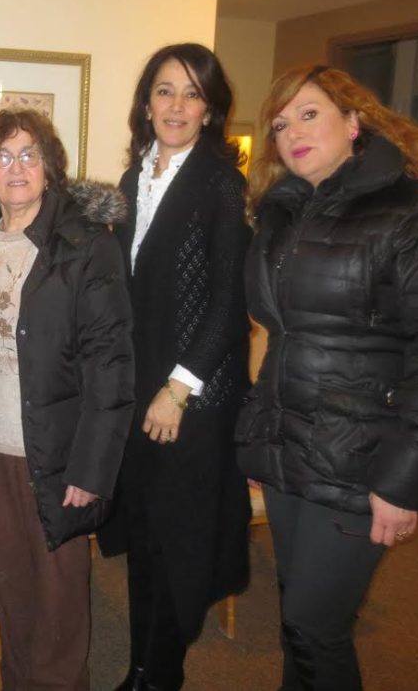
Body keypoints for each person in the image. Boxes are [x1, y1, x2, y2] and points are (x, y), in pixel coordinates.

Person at [236, 65, 418, 691]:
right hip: (292, 447)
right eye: (280, 124)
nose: (291, 132)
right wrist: (262, 433)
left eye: (309, 114)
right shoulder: (282, 213)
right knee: (298, 621)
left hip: (361, 461)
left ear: (354, 122)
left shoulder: (409, 210)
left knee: (314, 626)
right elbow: (283, 337)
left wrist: (403, 481)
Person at [97, 43, 253, 691]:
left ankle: (161, 675)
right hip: (143, 389)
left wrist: (177, 389)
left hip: (191, 397)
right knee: (145, 533)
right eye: (165, 90)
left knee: (178, 541)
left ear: (211, 110)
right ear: (146, 103)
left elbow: (228, 303)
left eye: (193, 93)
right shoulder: (133, 181)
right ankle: (143, 668)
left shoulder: (220, 183)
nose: (178, 105)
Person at [0, 109, 135, 689]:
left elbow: (112, 365)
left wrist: (91, 469)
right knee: (12, 590)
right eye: (2, 157)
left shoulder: (85, 245)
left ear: (49, 167)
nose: (16, 168)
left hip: (58, 456)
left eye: (29, 155)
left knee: (59, 602)